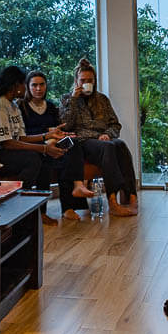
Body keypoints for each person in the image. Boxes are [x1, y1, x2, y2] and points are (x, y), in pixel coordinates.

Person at [0, 65, 94, 222]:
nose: (27, 87)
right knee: (33, 159)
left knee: (54, 154)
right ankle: (22, 210)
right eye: (25, 83)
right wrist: (43, 148)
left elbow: (20, 138)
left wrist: (47, 136)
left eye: (41, 84)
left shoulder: (13, 106)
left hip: (6, 150)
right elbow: (6, 143)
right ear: (15, 85)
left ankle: (45, 211)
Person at [57, 59, 137, 217]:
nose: (87, 83)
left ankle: (132, 196)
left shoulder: (102, 100)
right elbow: (65, 125)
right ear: (76, 81)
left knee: (120, 145)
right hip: (82, 142)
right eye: (83, 80)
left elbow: (115, 124)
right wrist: (73, 99)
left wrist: (108, 134)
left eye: (90, 81)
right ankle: (112, 202)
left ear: (95, 81)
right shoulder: (66, 99)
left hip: (103, 140)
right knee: (109, 147)